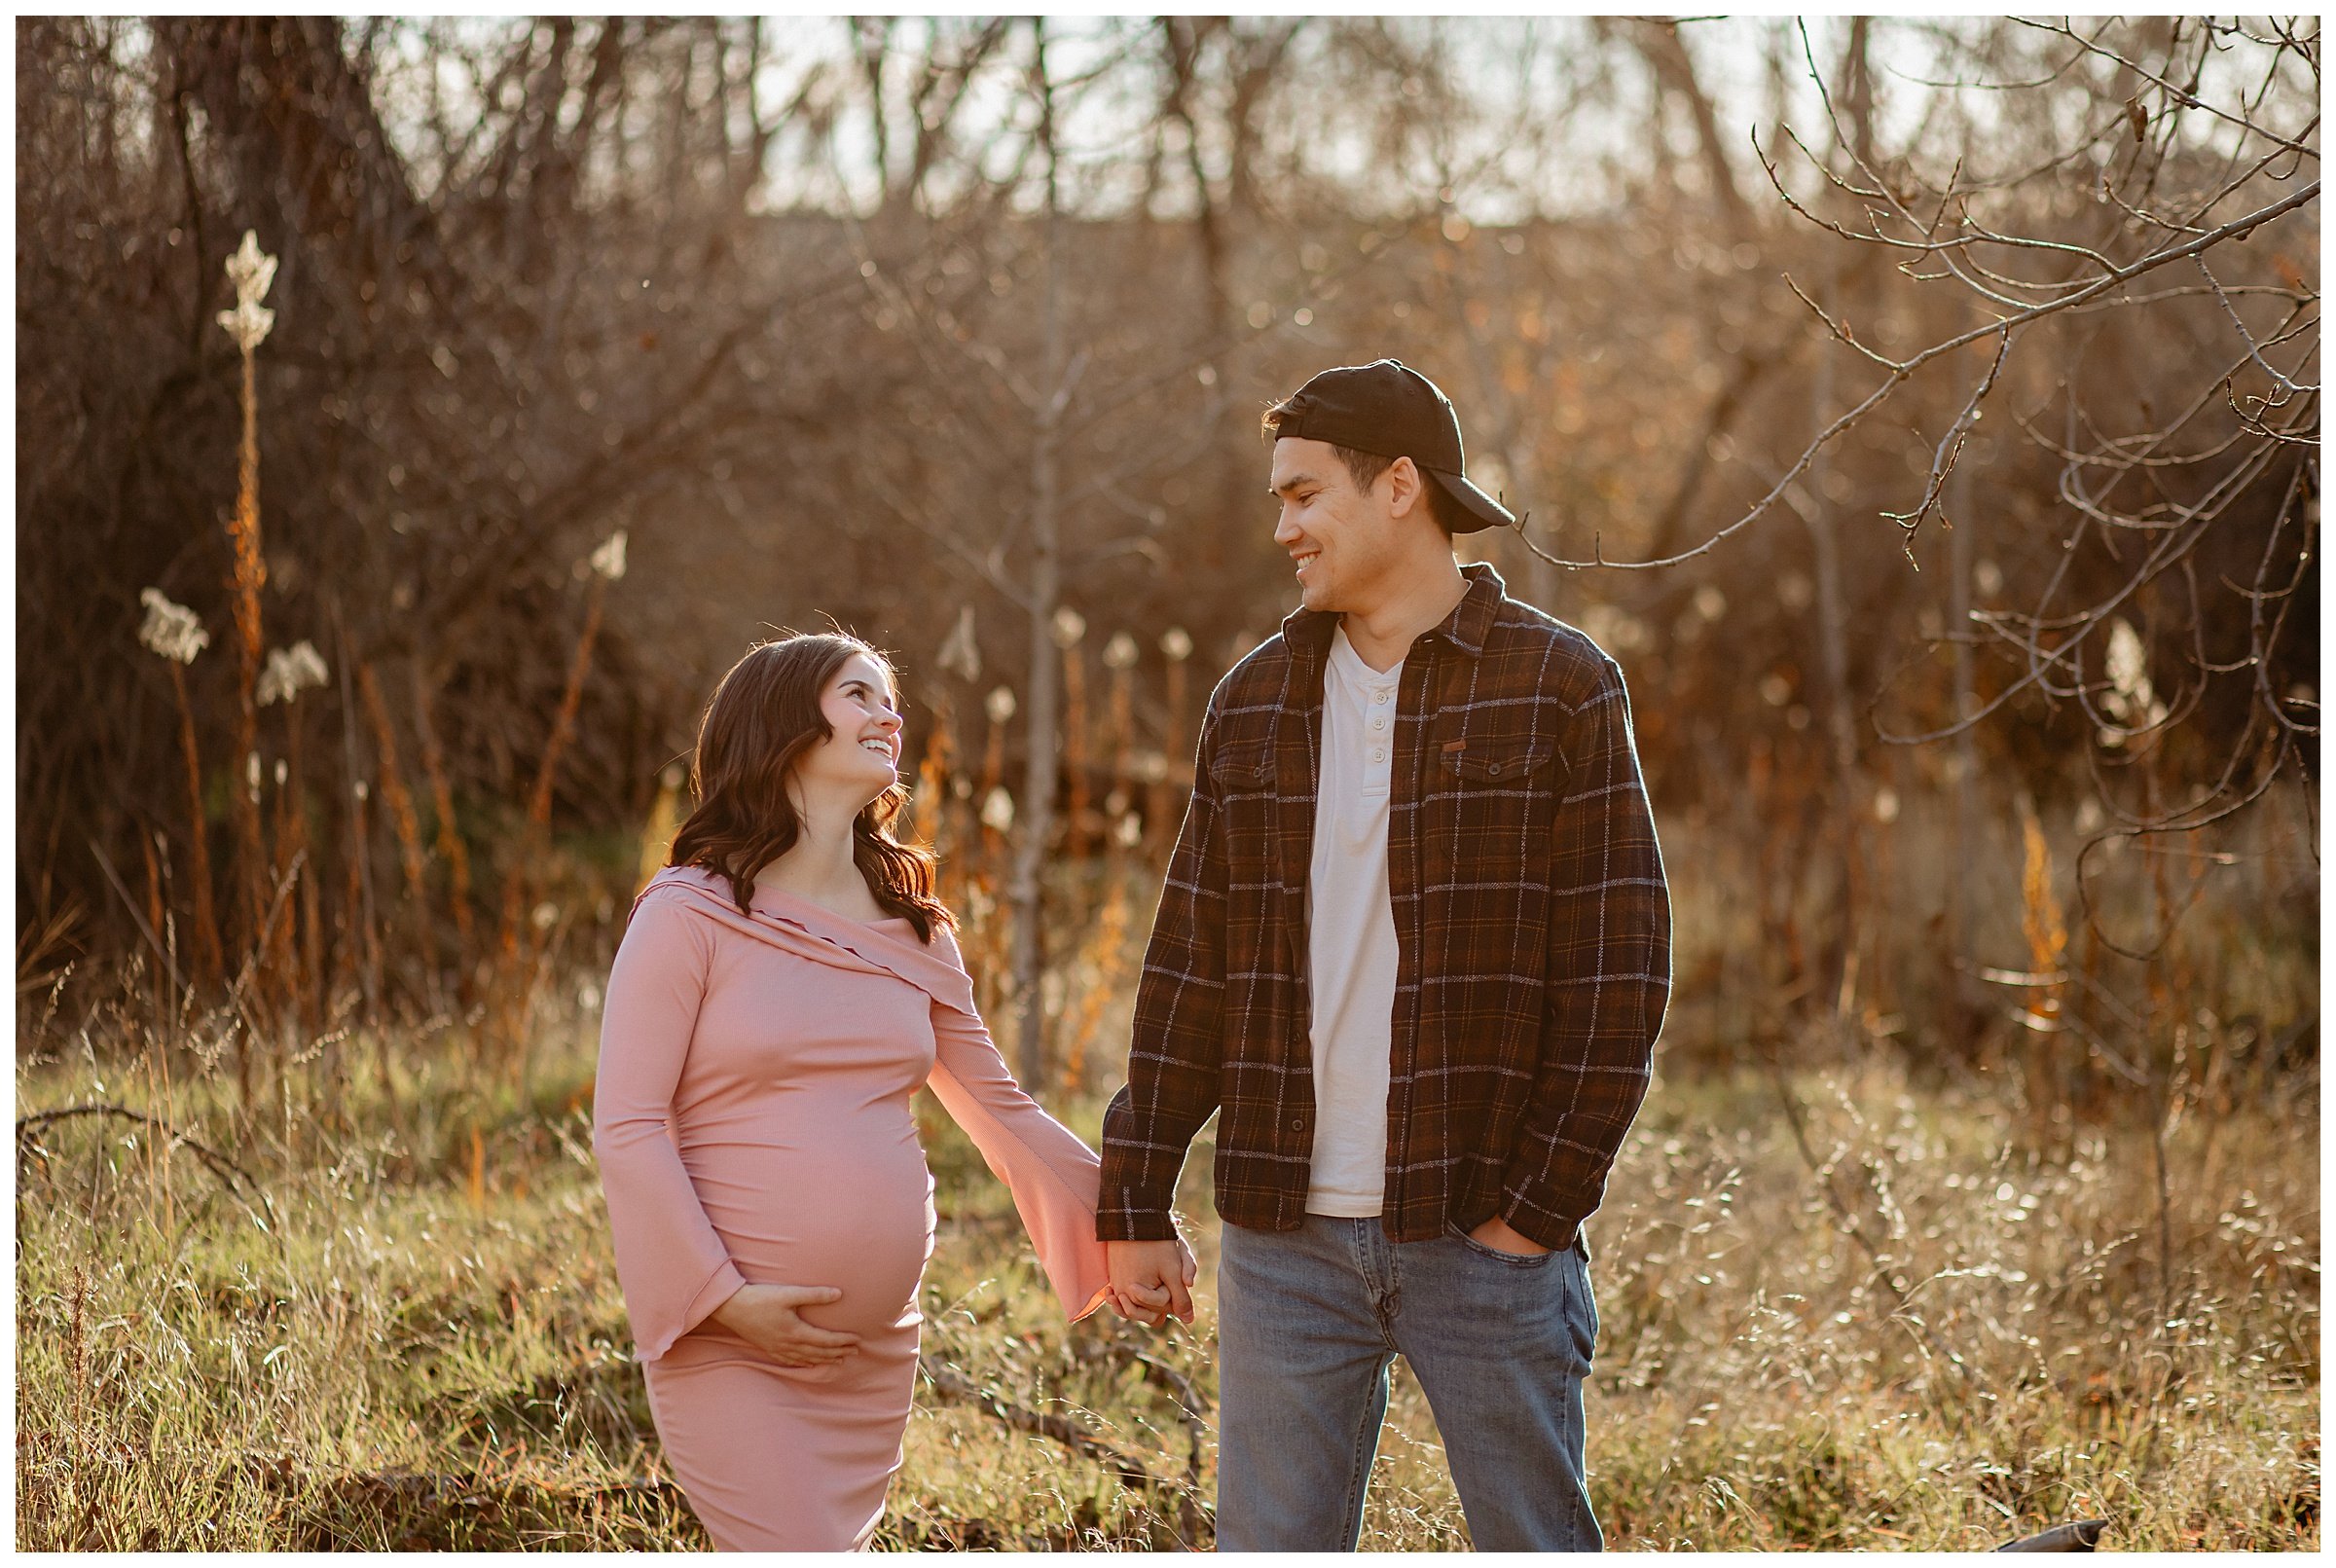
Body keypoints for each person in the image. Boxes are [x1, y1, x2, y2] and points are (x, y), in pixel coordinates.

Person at [1099, 359, 1672, 1550]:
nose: (1283, 528)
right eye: (1279, 500)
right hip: (1282, 1240)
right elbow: (1191, 965)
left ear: (1401, 485)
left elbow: (1621, 974)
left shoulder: (1559, 687)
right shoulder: (1252, 703)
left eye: (1305, 495)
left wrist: (1536, 1214)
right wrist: (1137, 1191)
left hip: (1479, 1233)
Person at [594, 631, 1186, 1550]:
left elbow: (1002, 1109)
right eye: (858, 694)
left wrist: (1130, 1219)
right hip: (732, 1336)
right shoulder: (688, 913)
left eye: (889, 696)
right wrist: (720, 1296)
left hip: (869, 1356)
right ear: (784, 721)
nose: (890, 713)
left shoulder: (915, 932)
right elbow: (629, 1127)